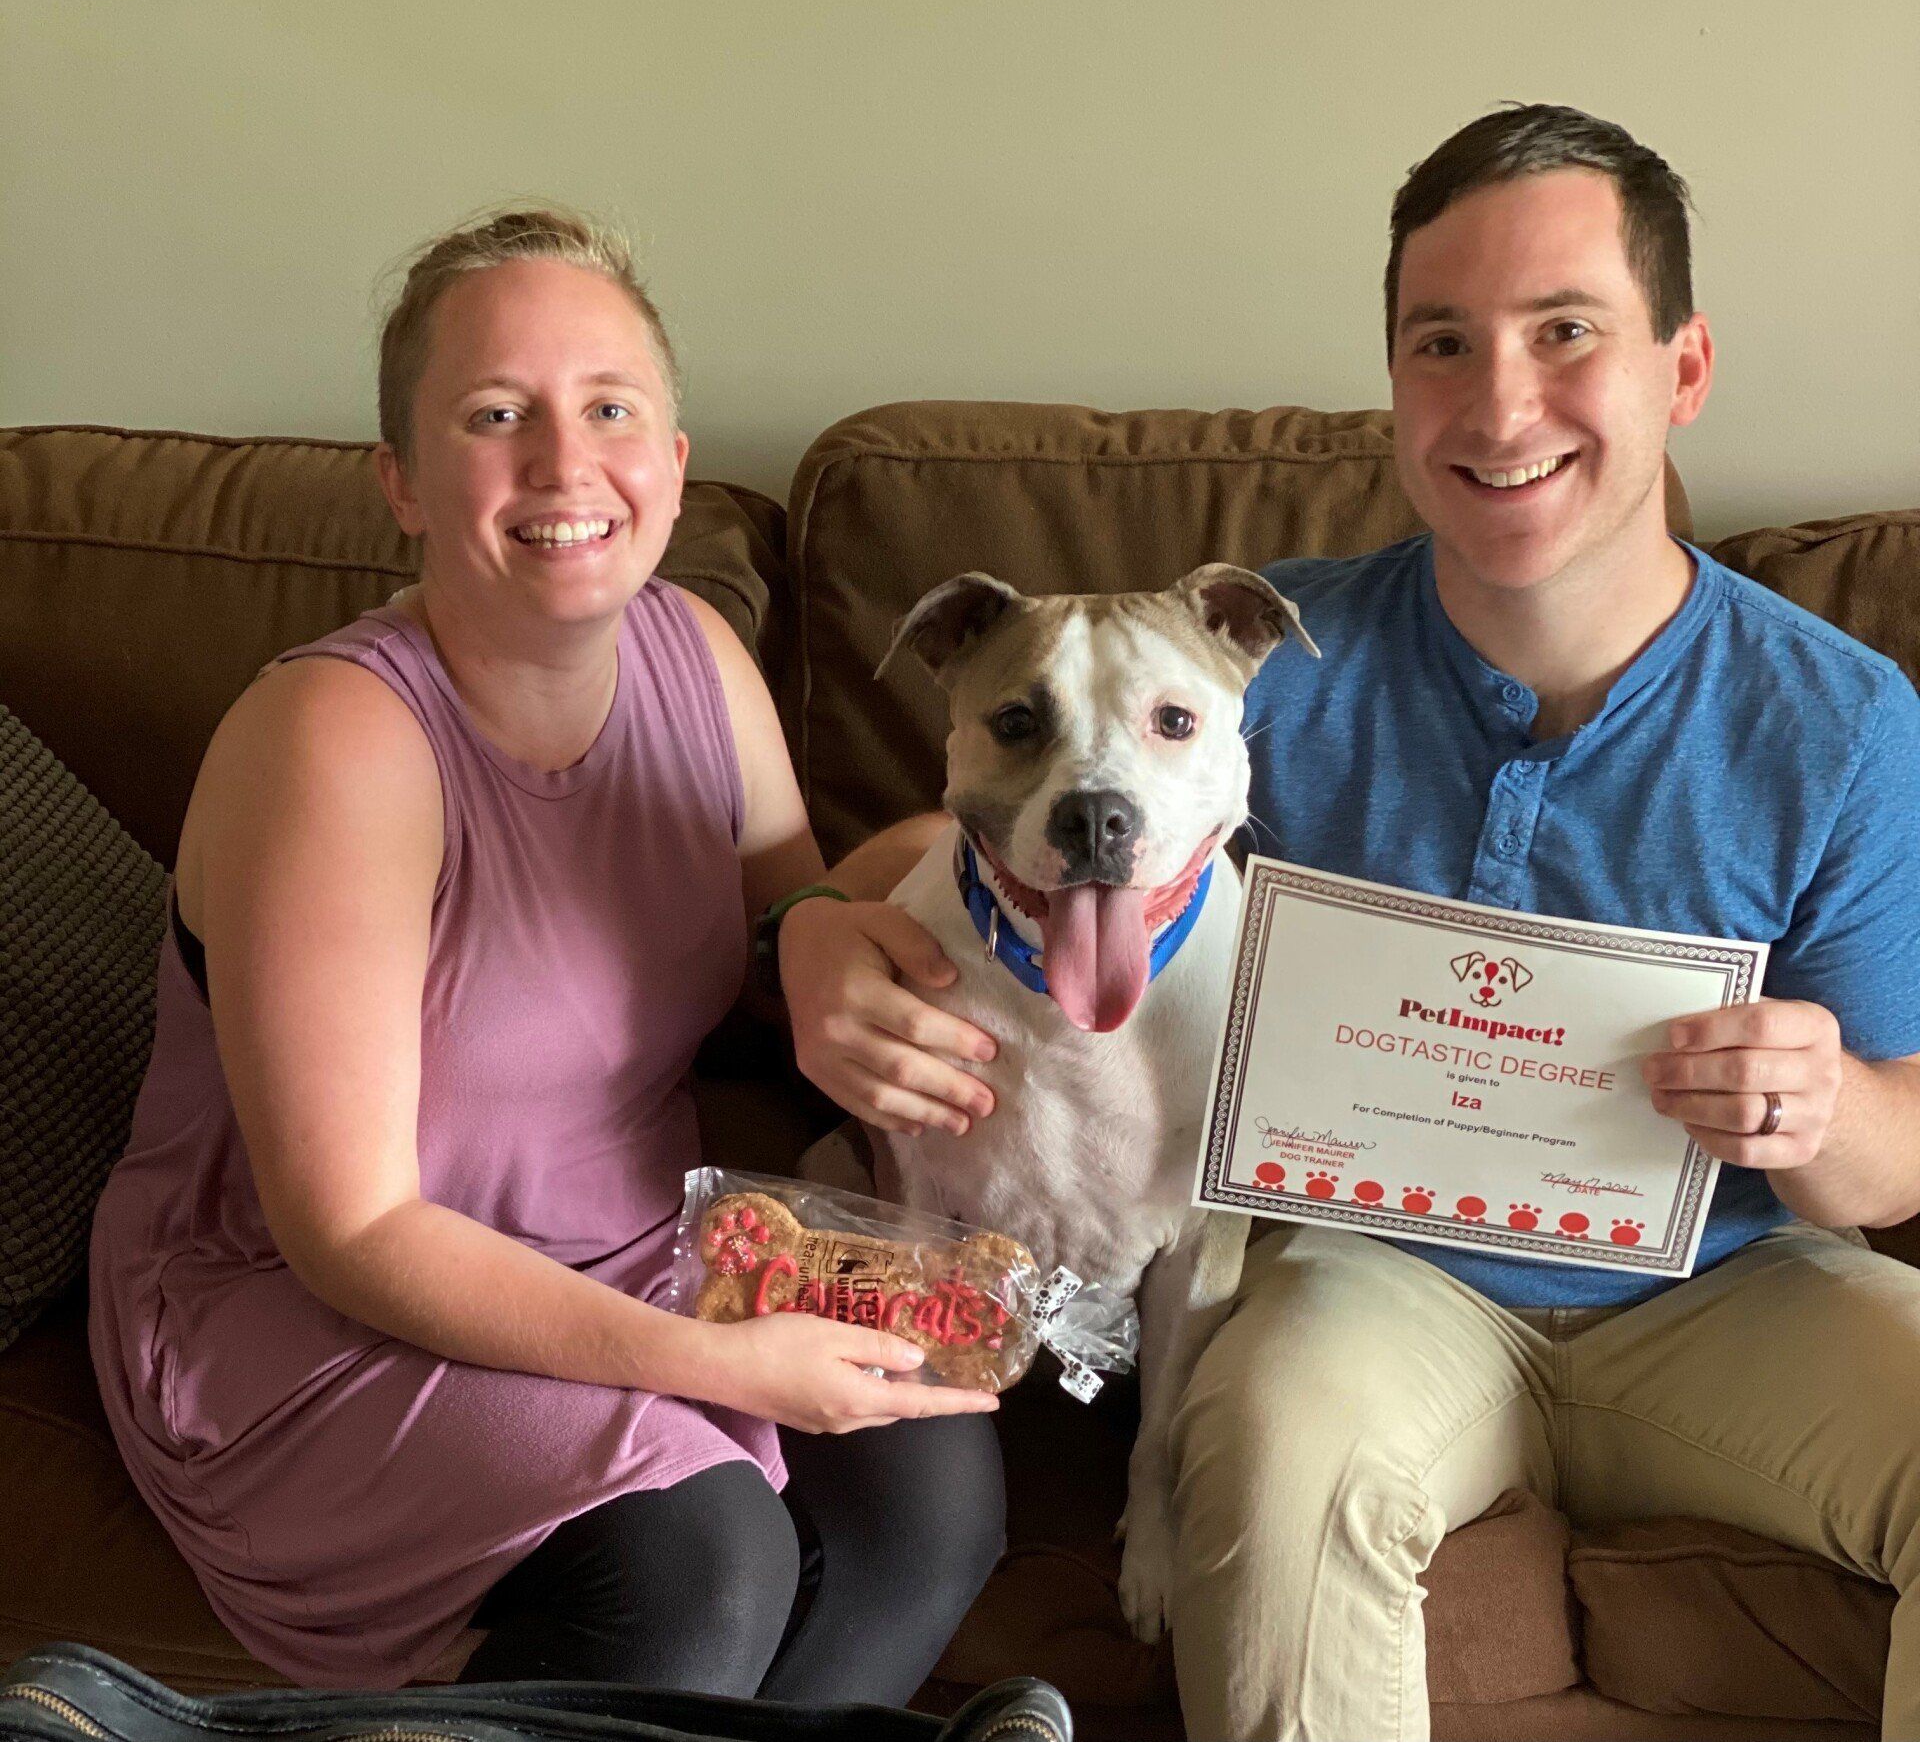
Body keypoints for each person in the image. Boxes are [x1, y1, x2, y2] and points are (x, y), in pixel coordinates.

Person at [777, 105, 1920, 1740]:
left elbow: (1903, 1153)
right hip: (1374, 1280)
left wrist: (1825, 1104)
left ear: (1684, 366)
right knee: (1273, 1455)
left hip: (1728, 1290)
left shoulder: (1843, 722)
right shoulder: (1272, 664)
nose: (1500, 400)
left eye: (1567, 333)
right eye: (1442, 343)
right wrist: (820, 925)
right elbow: (1039, 798)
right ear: (1395, 382)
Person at [87, 208, 1004, 1700]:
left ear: (675, 459)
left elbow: (787, 919)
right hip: (315, 1301)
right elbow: (353, 1229)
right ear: (400, 480)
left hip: (636, 1225)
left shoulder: (696, 657)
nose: (566, 466)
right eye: (495, 415)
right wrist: (718, 1367)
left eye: (609, 409)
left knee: (932, 1469)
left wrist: (877, 902)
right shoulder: (336, 743)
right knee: (702, 1562)